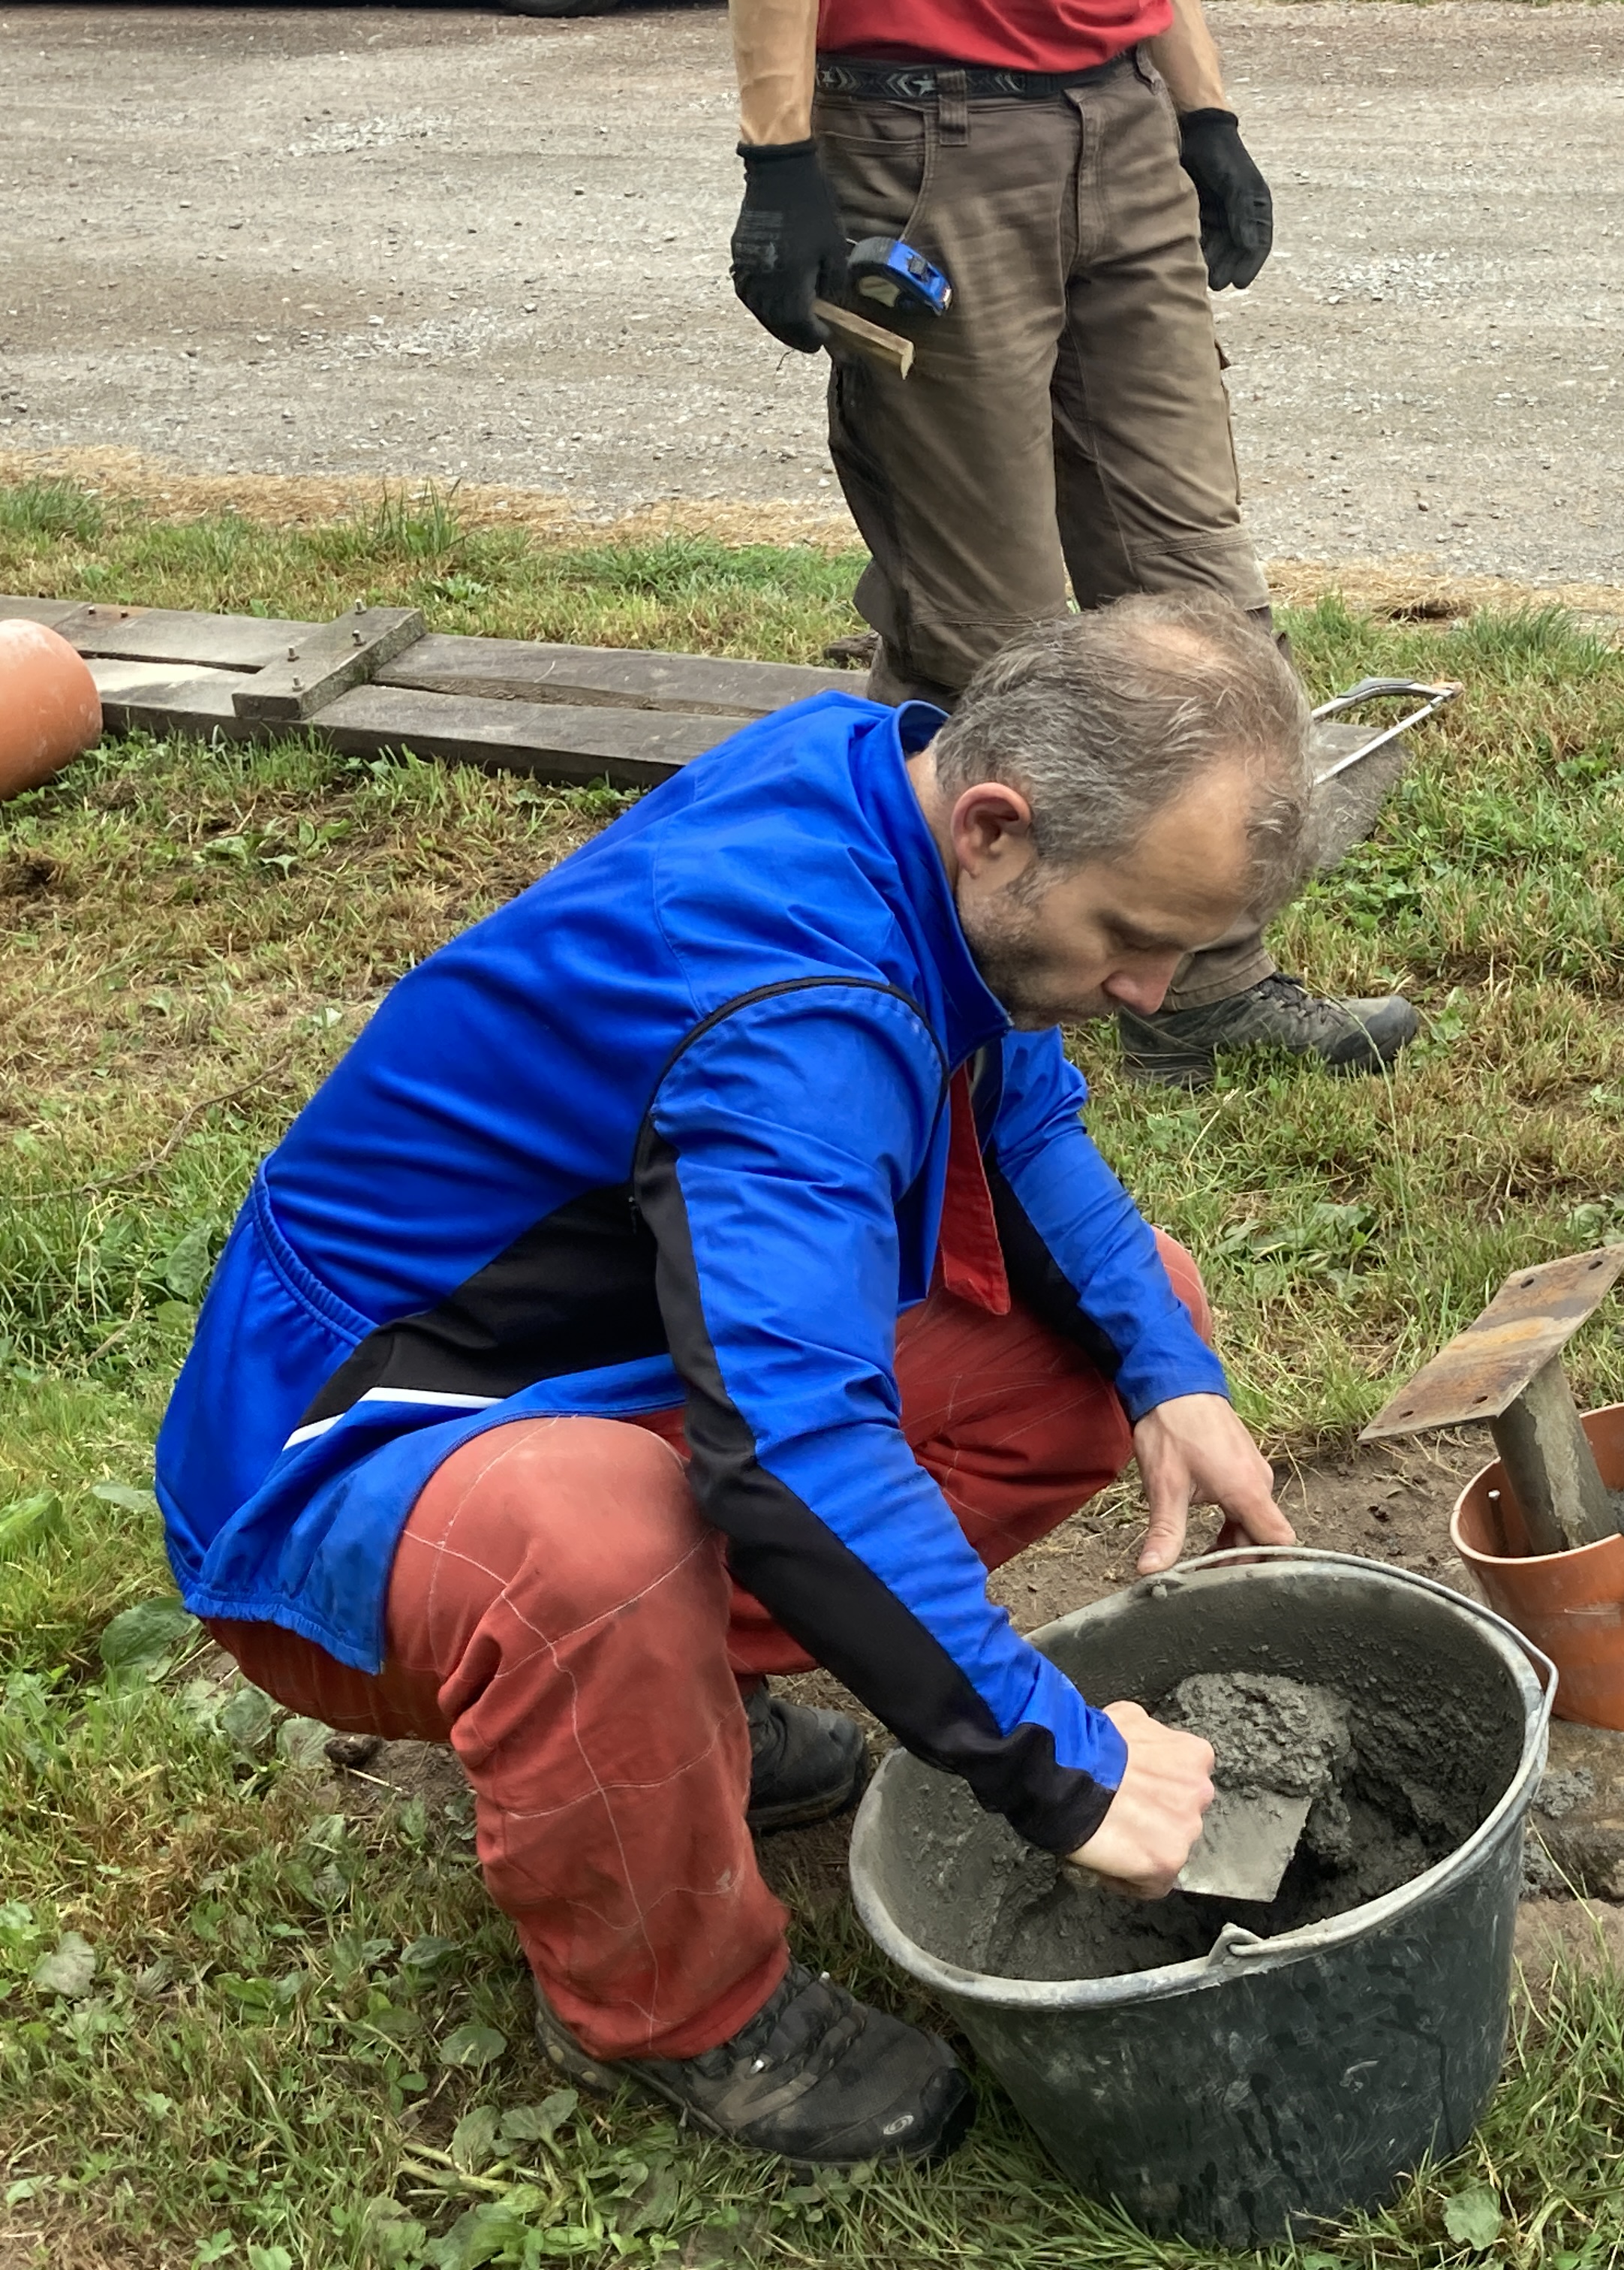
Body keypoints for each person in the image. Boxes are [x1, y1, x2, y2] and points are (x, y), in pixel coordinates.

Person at [154, 595, 1316, 2166]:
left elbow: (1017, 1121)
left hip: (597, 1364)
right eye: (1132, 937)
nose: (1155, 993)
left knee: (1114, 1332)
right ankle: (679, 2010)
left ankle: (669, 1716)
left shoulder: (888, 792)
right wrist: (1063, 1764)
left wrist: (1174, 1374)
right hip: (327, 1472)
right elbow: (786, 1454)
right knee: (603, 1546)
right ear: (998, 825)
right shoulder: (796, 1008)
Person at [720, 0, 1418, 1088]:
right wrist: (780, 152)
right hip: (921, 134)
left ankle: (1204, 993)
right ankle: (858, 982)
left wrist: (1204, 112)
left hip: (1124, 114)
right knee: (980, 633)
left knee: (1206, 621)